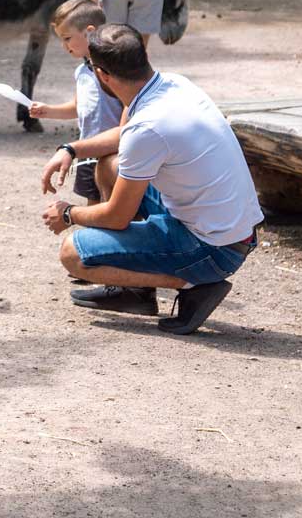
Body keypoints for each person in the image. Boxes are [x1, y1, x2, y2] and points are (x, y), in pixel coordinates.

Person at [38, 24, 264, 335]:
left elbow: (117, 217)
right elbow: (125, 136)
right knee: (110, 167)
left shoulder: (148, 128)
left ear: (102, 75)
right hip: (231, 229)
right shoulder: (172, 84)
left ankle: (197, 284)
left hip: (215, 248)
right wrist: (71, 149)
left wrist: (67, 213)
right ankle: (136, 293)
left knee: (74, 254)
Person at [27, 0, 123, 206]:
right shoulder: (82, 72)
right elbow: (78, 107)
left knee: (117, 206)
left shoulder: (115, 70)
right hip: (87, 150)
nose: (64, 45)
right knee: (93, 204)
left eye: (67, 38)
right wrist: (49, 111)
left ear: (89, 31)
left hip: (115, 151)